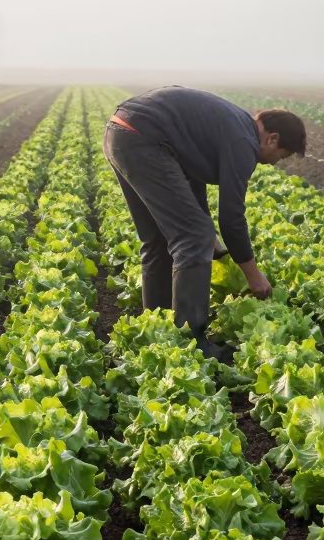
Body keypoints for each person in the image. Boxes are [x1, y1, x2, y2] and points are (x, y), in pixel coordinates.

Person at [102, 86, 307, 357]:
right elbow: (232, 216)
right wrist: (252, 274)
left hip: (121, 132)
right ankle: (193, 341)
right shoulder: (244, 141)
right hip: (146, 138)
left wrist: (215, 243)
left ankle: (156, 331)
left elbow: (189, 180)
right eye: (282, 156)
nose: (276, 163)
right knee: (192, 236)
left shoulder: (231, 125)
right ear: (272, 138)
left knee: (160, 239)